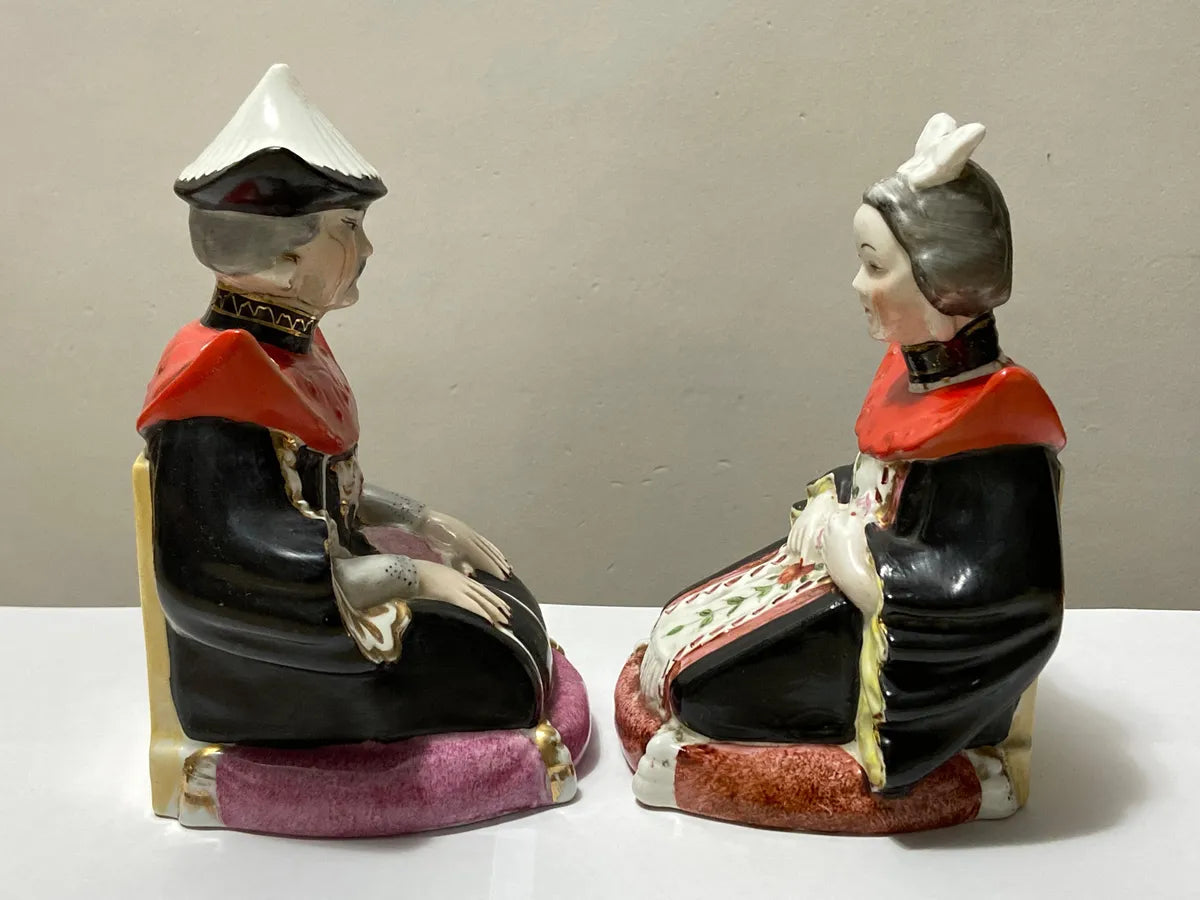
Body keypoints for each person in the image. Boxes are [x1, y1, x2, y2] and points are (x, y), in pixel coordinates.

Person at [637, 114, 1066, 797]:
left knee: (700, 687)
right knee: (677, 631)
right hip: (840, 574)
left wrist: (862, 557)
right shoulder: (914, 374)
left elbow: (1002, 593)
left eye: (874, 266)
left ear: (940, 285)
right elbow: (882, 486)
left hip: (887, 632)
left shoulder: (1000, 437)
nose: (857, 285)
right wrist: (834, 504)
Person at [139, 65, 553, 745]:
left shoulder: (287, 349)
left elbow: (325, 490)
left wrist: (424, 521)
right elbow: (228, 575)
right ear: (280, 256)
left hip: (338, 579)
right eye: (348, 227)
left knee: (499, 601)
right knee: (490, 662)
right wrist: (411, 575)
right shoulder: (211, 395)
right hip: (266, 654)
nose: (366, 249)